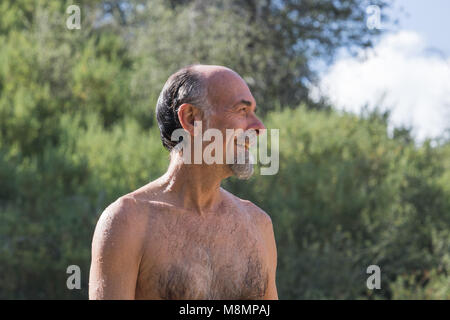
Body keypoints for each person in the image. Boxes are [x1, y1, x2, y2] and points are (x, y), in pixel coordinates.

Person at [89, 65, 278, 299]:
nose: (259, 127)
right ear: (191, 119)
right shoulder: (128, 222)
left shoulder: (259, 225)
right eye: (242, 110)